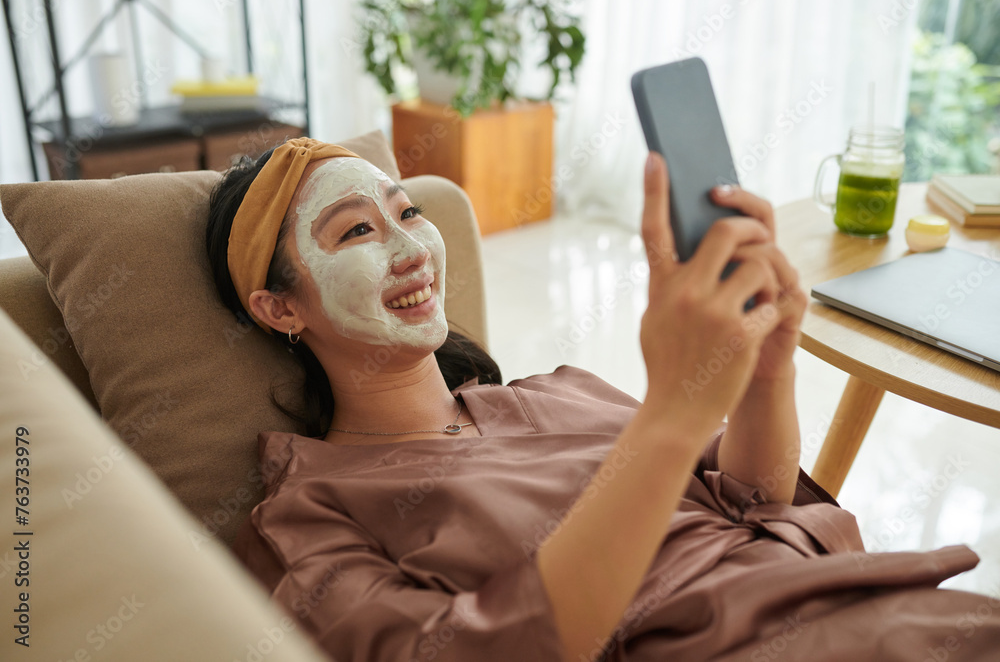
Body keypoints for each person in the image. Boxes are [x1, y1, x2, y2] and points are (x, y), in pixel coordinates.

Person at [206, 138, 999, 661]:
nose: (411, 247)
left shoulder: (559, 391)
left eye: (408, 211)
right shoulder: (307, 516)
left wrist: (768, 367)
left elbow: (754, 497)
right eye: (355, 232)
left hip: (867, 605)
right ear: (280, 307)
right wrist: (673, 416)